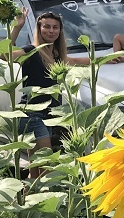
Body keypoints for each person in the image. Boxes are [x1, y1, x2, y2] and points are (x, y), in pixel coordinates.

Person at [8, 10, 89, 167]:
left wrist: (105, 60)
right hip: (32, 114)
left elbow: (74, 61)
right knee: (47, 165)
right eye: (47, 27)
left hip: (50, 114)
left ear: (60, 30)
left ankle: (28, 192)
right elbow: (5, 55)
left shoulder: (56, 55)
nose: (51, 31)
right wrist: (17, 28)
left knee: (35, 167)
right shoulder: (31, 51)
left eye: (55, 27)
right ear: (39, 28)